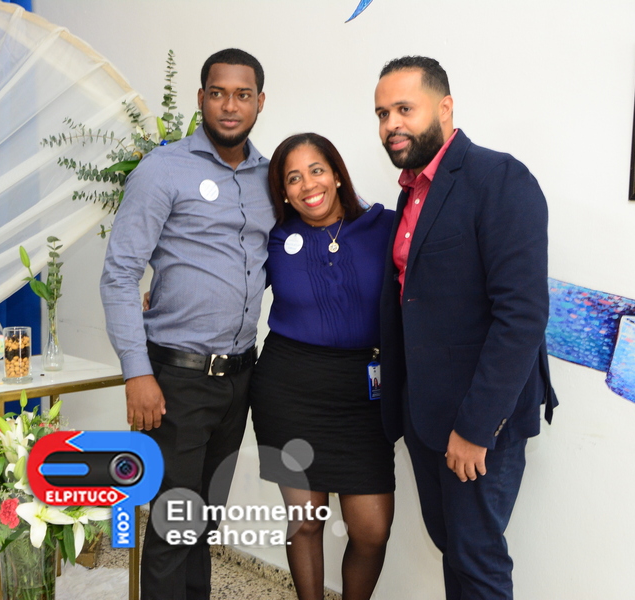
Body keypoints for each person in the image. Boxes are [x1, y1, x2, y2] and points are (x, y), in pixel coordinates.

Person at [374, 56, 558, 600]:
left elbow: (522, 315)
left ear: (445, 108)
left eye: (404, 109)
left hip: (477, 423)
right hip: (425, 416)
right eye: (382, 114)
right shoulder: (412, 191)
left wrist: (476, 429)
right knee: (453, 548)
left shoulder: (499, 178)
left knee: (476, 561)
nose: (391, 124)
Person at [100, 48, 273, 599]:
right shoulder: (162, 169)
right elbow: (119, 275)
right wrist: (137, 373)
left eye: (242, 95)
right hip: (175, 379)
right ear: (201, 98)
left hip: (240, 377)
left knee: (204, 521)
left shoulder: (272, 178)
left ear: (260, 102)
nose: (230, 106)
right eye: (218, 93)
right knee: (173, 525)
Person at [249, 133, 395, 600]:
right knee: (306, 522)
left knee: (371, 530)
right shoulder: (275, 237)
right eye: (293, 178)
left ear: (337, 174)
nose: (308, 185)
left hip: (363, 397)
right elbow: (229, 279)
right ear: (283, 191)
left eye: (316, 170)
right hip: (289, 390)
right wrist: (162, 292)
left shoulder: (385, 226)